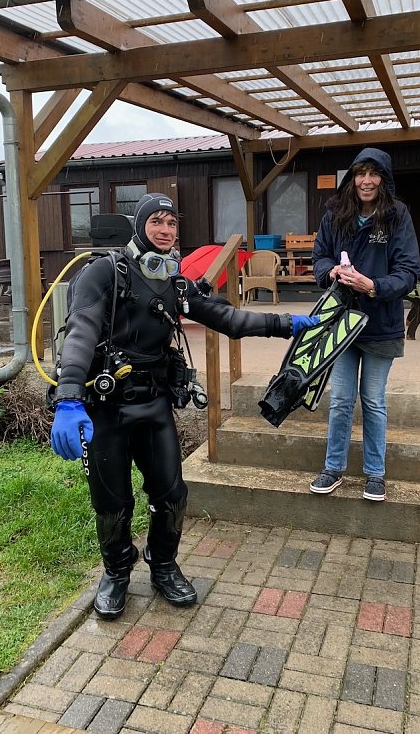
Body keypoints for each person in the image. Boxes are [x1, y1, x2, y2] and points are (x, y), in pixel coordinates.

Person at [50, 193, 319, 620]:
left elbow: (227, 318)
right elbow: (80, 333)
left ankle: (163, 565)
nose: (165, 230)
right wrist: (68, 398)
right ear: (139, 226)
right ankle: (117, 573)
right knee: (112, 501)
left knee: (172, 493)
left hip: (153, 404)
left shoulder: (175, 283)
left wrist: (285, 324)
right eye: (156, 221)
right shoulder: (105, 273)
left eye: (172, 223)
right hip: (105, 408)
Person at [309, 148, 420, 502]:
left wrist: (372, 286)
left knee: (372, 400)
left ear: (384, 179)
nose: (366, 181)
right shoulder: (335, 213)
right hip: (341, 322)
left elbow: (409, 272)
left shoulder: (397, 216)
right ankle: (333, 467)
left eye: (374, 174)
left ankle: (375, 473)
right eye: (361, 173)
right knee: (341, 399)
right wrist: (330, 271)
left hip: (380, 324)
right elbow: (320, 254)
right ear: (352, 178)